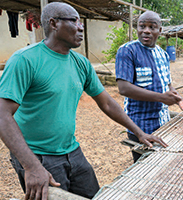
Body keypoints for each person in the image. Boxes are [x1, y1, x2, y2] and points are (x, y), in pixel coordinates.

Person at [0, 2, 167, 200]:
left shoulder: (80, 63)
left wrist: (139, 133)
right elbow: (2, 115)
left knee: (94, 196)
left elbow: (106, 102)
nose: (81, 27)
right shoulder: (25, 60)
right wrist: (31, 166)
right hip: (37, 155)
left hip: (72, 150)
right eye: (74, 21)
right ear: (54, 24)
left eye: (81, 22)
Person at [115, 11, 183, 163]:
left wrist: (179, 100)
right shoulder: (127, 51)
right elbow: (124, 88)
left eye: (152, 27)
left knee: (161, 164)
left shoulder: (163, 54)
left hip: (163, 122)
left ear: (160, 30)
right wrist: (161, 98)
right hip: (140, 126)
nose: (146, 30)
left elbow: (168, 85)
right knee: (143, 168)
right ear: (137, 28)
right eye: (142, 26)